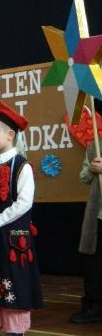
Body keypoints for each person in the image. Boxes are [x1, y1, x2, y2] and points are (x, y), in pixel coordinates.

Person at [0, 101, 43, 336]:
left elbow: (24, 203)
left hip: (13, 235)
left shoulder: (22, 166)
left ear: (10, 135)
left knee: (14, 278)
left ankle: (16, 328)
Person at [72, 137, 102, 323]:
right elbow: (84, 177)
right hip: (97, 214)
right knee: (94, 263)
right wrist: (92, 169)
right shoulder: (96, 145)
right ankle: (94, 306)